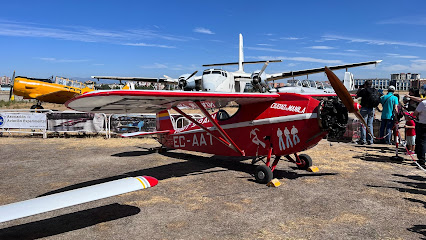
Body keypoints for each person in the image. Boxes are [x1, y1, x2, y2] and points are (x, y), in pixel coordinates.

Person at [356, 80, 376, 145]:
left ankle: (363, 140)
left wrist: (359, 90)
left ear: (365, 85)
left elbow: (357, 96)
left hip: (364, 108)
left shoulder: (364, 91)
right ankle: (370, 140)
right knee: (370, 125)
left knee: (363, 124)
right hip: (372, 108)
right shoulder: (374, 90)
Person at [413, 99, 426, 167]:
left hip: (423, 124)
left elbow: (415, 113)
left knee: (422, 142)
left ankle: (422, 160)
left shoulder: (423, 103)